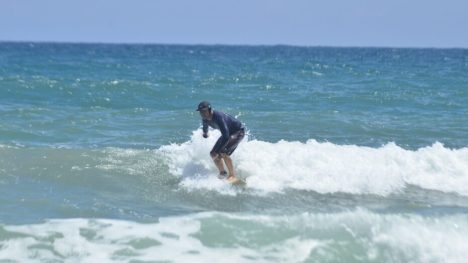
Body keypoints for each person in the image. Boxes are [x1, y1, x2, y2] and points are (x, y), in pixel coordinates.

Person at [196, 101, 245, 182]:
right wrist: (205, 133)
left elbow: (225, 136)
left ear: (210, 109)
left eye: (204, 111)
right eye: (201, 112)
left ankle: (232, 175)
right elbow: (205, 127)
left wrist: (218, 151)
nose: (203, 114)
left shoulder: (219, 117)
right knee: (212, 153)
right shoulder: (205, 119)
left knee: (223, 152)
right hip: (228, 134)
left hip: (238, 132)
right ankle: (223, 173)